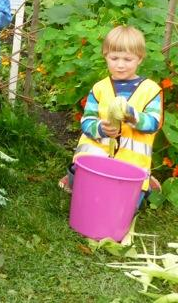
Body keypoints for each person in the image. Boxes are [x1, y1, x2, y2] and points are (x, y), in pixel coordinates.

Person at [60, 25, 163, 205]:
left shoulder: (151, 91)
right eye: (114, 58)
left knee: (123, 204)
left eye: (127, 59)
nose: (120, 64)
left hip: (131, 164)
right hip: (96, 160)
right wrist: (100, 128)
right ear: (105, 56)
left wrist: (133, 116)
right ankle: (76, 176)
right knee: (91, 200)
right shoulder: (99, 88)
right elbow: (87, 122)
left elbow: (153, 123)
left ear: (140, 59)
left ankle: (145, 183)